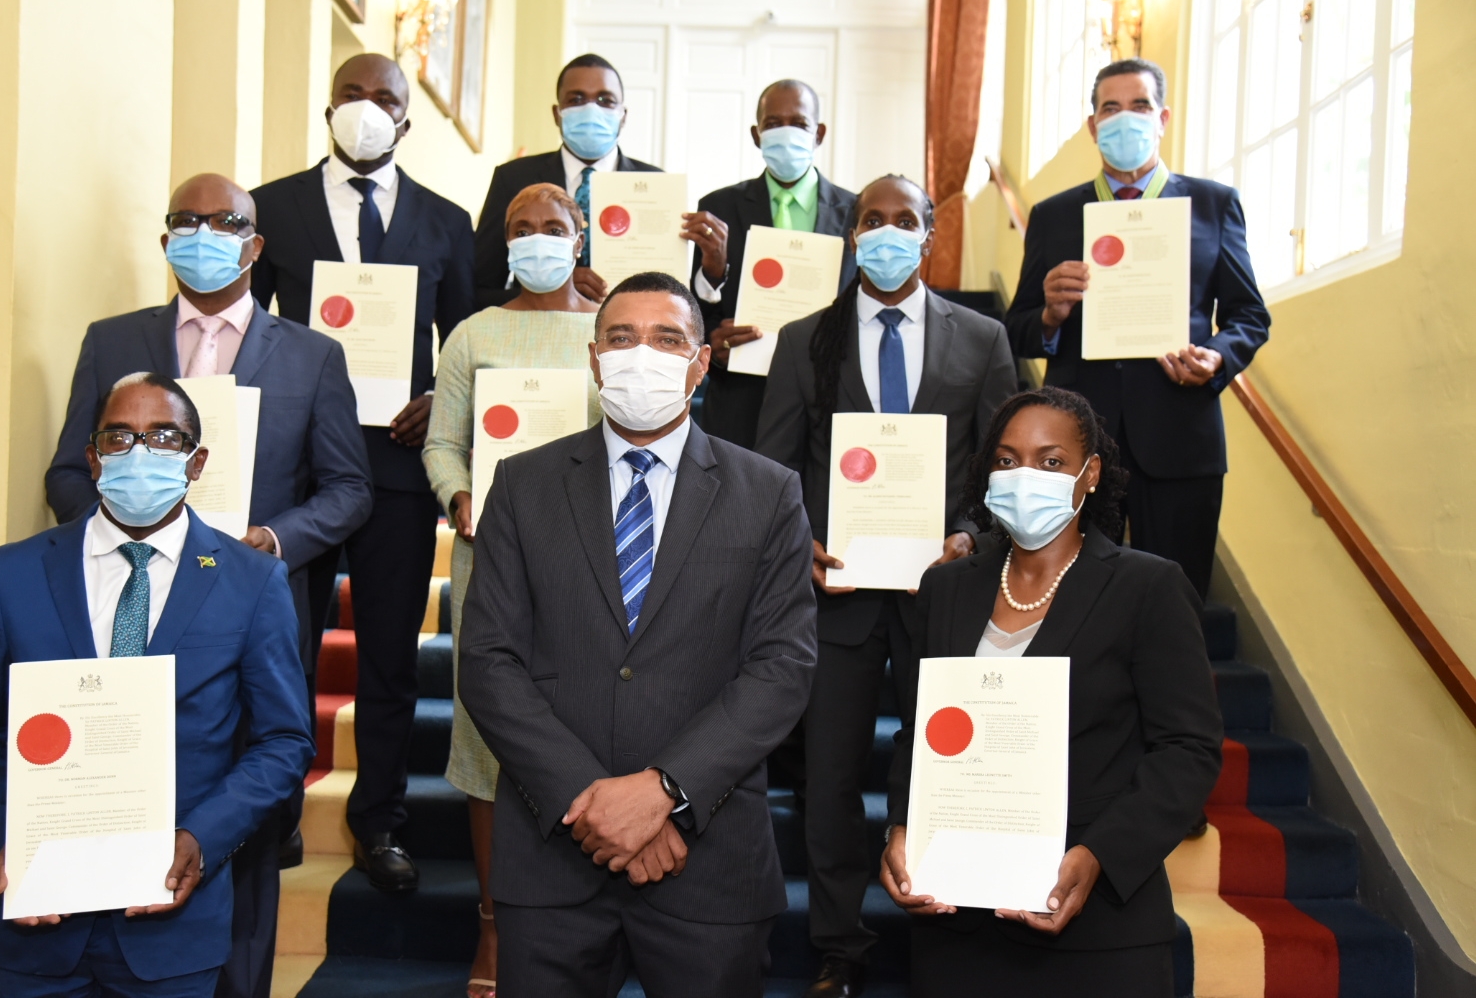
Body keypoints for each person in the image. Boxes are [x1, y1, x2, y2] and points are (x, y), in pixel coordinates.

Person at [457, 273, 817, 997]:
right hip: (554, 856)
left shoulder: (768, 491)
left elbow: (781, 667)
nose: (641, 355)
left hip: (708, 857)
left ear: (701, 362)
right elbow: (489, 661)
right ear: (594, 360)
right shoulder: (522, 484)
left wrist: (664, 792)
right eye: (621, 338)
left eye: (667, 339)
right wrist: (592, 801)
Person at [0, 373, 316, 998]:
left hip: (173, 927)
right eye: (119, 437)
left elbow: (284, 741)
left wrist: (202, 838)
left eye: (163, 437)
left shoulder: (252, 583)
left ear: (196, 462)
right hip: (38, 929)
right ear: (93, 459)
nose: (140, 453)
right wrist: (4, 841)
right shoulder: (11, 575)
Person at [754, 174, 1017, 998]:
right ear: (852, 234)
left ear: (929, 236)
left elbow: (1001, 464)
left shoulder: (983, 337)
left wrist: (969, 533)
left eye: (906, 220)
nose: (888, 231)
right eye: (873, 219)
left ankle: (951, 927)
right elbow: (775, 467)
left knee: (945, 764)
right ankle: (841, 945)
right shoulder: (806, 338)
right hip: (836, 600)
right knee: (829, 779)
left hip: (946, 595)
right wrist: (799, 541)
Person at [880, 386, 1223, 997]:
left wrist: (1098, 855)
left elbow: (1188, 749)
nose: (1025, 476)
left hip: (1098, 926)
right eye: (1007, 460)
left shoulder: (1149, 588)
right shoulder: (946, 590)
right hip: (957, 928)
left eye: (1051, 461)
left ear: (1090, 475)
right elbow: (920, 734)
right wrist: (902, 828)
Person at [249, 53, 475, 894]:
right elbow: (249, 337)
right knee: (284, 649)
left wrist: (434, 396)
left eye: (386, 97)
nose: (368, 108)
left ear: (408, 119)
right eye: (353, 93)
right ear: (329, 108)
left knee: (387, 657)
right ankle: (274, 815)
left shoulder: (446, 221)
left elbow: (463, 346)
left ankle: (377, 820)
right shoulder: (272, 208)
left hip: (397, 473)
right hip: (295, 475)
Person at [421, 183, 603, 998]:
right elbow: (442, 444)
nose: (537, 238)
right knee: (489, 742)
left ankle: (581, 918)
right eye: (521, 228)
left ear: (579, 236)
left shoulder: (608, 329)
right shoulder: (473, 334)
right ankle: (494, 927)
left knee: (585, 726)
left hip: (592, 567)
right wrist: (459, 495)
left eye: (552, 226)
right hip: (492, 562)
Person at [1004, 57, 1270, 598]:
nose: (1125, 119)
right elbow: (1017, 330)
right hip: (1078, 442)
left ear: (1163, 118)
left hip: (1180, 436)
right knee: (1075, 601)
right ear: (1093, 125)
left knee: (1176, 603)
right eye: (1111, 108)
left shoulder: (1213, 205)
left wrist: (1218, 356)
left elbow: (1249, 316)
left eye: (1140, 106)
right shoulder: (1054, 215)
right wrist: (1050, 316)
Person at [691, 79, 858, 450]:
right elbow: (698, 311)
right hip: (741, 399)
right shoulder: (718, 207)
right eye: (773, 123)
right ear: (757, 135)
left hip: (829, 398)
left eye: (798, 123)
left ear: (819, 133)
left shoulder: (857, 213)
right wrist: (714, 341)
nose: (786, 133)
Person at [474, 53, 714, 310]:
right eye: (576, 99)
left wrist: (712, 267)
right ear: (557, 113)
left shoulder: (658, 184)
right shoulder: (513, 179)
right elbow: (479, 289)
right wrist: (552, 291)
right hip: (537, 329)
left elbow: (672, 295)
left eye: (605, 100)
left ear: (623, 115)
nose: (591, 110)